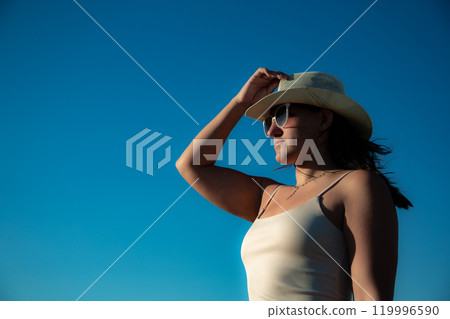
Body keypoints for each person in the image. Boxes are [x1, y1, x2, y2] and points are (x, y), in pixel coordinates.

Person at [175, 67, 412, 301]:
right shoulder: (265, 196)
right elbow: (191, 165)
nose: (271, 131)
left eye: (282, 115)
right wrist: (240, 102)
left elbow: (372, 301)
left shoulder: (355, 185)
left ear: (323, 119)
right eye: (267, 121)